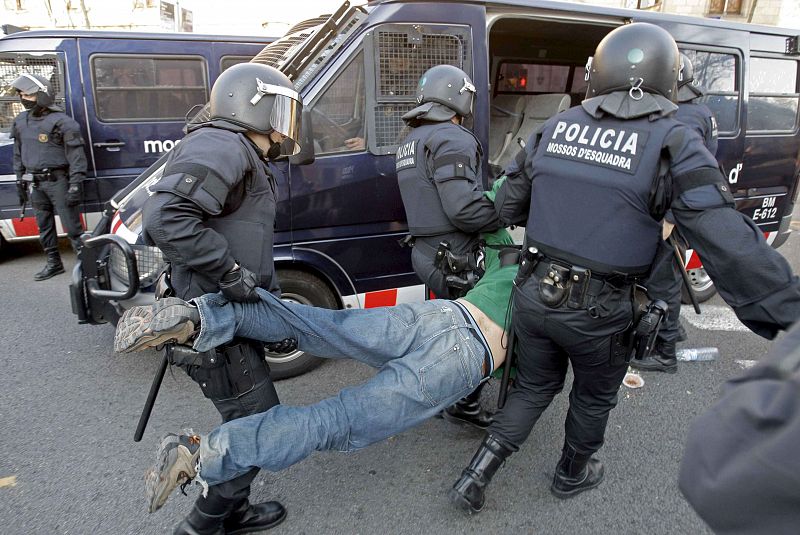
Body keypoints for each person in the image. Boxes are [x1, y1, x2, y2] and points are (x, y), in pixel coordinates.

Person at [447, 23, 800, 515]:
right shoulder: (674, 138)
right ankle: (573, 473)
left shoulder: (556, 127)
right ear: (669, 80)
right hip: (601, 309)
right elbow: (728, 241)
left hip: (534, 292)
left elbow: (505, 205)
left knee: (533, 386)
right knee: (592, 399)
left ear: (597, 73)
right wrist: (790, 311)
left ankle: (475, 475)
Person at [112, 224, 518, 516]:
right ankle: (201, 453)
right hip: (469, 351)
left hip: (445, 312)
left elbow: (496, 207)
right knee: (336, 420)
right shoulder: (570, 301)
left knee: (319, 325)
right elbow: (538, 383)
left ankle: (198, 318)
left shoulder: (518, 259)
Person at [135, 62, 303, 535]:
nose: (285, 123)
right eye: (280, 109)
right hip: (217, 323)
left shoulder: (240, 150)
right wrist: (228, 271)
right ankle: (202, 523)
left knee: (244, 421)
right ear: (254, 104)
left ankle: (233, 509)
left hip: (226, 318)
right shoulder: (222, 143)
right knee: (259, 430)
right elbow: (165, 217)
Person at [396, 64, 502, 429]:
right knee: (483, 329)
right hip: (455, 257)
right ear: (462, 98)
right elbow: (465, 209)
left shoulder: (411, 139)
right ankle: (465, 403)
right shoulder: (452, 138)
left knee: (446, 329)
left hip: (428, 254)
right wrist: (505, 213)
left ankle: (442, 394)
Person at [632, 53, 719, 374]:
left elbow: (682, 173)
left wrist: (669, 217)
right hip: (683, 208)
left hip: (673, 210)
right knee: (664, 274)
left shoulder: (683, 116)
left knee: (662, 281)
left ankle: (665, 352)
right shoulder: (699, 111)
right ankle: (673, 329)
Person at [10, 73, 86, 280]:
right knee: (44, 226)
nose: (24, 99)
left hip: (58, 181)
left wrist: (75, 185)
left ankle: (87, 268)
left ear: (42, 95)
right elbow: (18, 153)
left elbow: (77, 157)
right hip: (35, 183)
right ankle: (54, 263)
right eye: (22, 94)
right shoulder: (20, 121)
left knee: (73, 228)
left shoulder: (62, 122)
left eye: (28, 95)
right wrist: (19, 180)